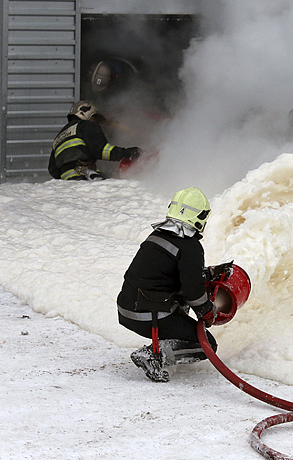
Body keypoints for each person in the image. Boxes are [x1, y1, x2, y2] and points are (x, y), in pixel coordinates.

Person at [116, 187, 229, 382]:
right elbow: (193, 292)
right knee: (208, 345)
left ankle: (162, 345)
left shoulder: (157, 236)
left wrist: (208, 273)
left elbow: (169, 275)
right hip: (147, 315)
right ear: (199, 217)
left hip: (127, 310)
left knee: (181, 307)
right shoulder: (190, 246)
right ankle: (154, 356)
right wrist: (207, 311)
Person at [48, 100, 143, 180]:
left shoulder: (58, 137)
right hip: (84, 176)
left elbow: (53, 170)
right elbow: (101, 150)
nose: (94, 122)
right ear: (83, 112)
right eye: (93, 118)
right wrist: (127, 153)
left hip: (67, 181)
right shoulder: (86, 125)